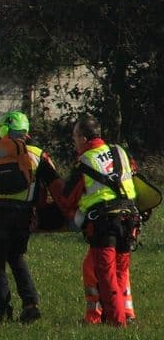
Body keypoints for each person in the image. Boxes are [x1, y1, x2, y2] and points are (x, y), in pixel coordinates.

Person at [0, 111, 62, 324]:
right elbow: (56, 186)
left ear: (3, 130)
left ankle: (3, 312)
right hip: (23, 215)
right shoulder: (38, 154)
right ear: (26, 131)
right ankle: (30, 303)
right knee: (16, 257)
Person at [60, 115, 139, 327]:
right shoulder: (119, 151)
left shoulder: (84, 161)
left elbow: (67, 198)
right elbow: (134, 174)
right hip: (130, 218)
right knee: (121, 270)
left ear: (84, 139)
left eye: (75, 136)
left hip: (105, 223)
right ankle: (125, 314)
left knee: (105, 274)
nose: (73, 141)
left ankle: (117, 322)